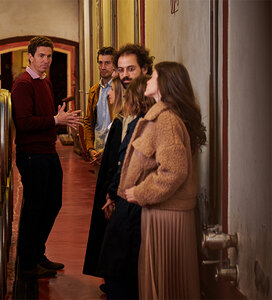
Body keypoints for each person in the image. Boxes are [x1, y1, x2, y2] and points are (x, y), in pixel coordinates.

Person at [122, 61, 206, 299]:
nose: (148, 80)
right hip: (166, 210)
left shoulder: (166, 120)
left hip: (166, 213)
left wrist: (140, 192)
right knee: (169, 279)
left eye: (153, 76)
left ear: (164, 83)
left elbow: (174, 171)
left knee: (166, 280)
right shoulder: (166, 115)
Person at [11, 36, 81, 279]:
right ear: (30, 56)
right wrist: (55, 120)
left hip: (48, 152)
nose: (46, 60)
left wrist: (60, 117)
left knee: (53, 203)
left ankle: (38, 253)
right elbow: (24, 122)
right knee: (35, 207)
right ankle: (28, 263)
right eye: (41, 56)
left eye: (49, 56)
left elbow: (48, 116)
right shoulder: (23, 84)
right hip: (32, 155)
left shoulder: (45, 83)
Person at [97, 75, 155, 299]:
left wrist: (114, 193)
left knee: (118, 258)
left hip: (131, 200)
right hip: (127, 197)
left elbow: (128, 163)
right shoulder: (137, 123)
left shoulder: (140, 125)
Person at [83, 76, 125, 282]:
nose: (108, 94)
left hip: (113, 184)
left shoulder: (120, 122)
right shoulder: (118, 119)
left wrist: (111, 190)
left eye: (112, 91)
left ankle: (111, 277)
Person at [83, 47, 115, 166]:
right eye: (100, 62)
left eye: (107, 63)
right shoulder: (94, 91)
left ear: (114, 65)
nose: (103, 67)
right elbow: (89, 122)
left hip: (114, 150)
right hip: (97, 150)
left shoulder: (120, 90)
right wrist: (90, 148)